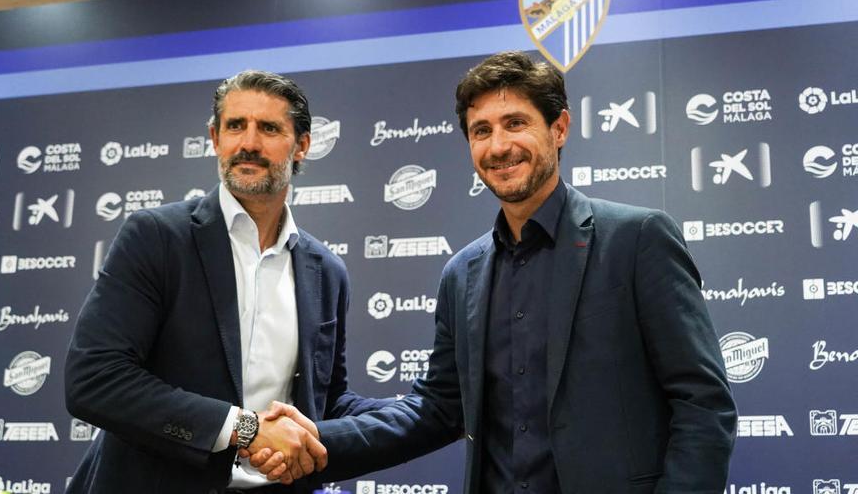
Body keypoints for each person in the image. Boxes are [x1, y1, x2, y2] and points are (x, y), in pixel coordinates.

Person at [255, 51, 738, 493]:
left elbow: (702, 403)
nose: (499, 145)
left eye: (515, 123)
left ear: (560, 128)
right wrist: (318, 439)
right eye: (481, 130)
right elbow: (438, 409)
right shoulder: (462, 273)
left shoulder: (637, 239)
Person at [64, 69, 388, 494]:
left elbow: (326, 402)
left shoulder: (327, 271)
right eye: (235, 126)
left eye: (269, 128)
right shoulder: (157, 237)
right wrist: (247, 429)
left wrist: (429, 410)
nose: (248, 143)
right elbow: (95, 379)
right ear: (216, 139)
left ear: (302, 146)